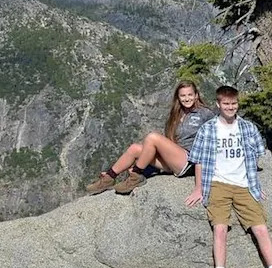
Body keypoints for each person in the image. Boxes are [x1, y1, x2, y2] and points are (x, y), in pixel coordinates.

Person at [184, 85, 272, 268]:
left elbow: (257, 154)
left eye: (234, 104)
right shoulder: (209, 129)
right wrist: (199, 187)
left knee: (260, 227)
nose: (230, 107)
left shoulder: (247, 128)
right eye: (226, 104)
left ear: (238, 104)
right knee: (219, 228)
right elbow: (198, 160)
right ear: (218, 105)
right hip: (217, 183)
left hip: (244, 185)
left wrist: (256, 184)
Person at [86, 81, 214, 196]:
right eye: (183, 96)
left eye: (190, 95)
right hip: (174, 159)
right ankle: (108, 178)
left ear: (196, 95)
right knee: (134, 148)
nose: (187, 99)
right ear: (178, 98)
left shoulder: (204, 113)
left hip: (190, 161)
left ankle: (135, 176)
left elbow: (217, 136)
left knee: (152, 137)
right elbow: (172, 141)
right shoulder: (177, 114)